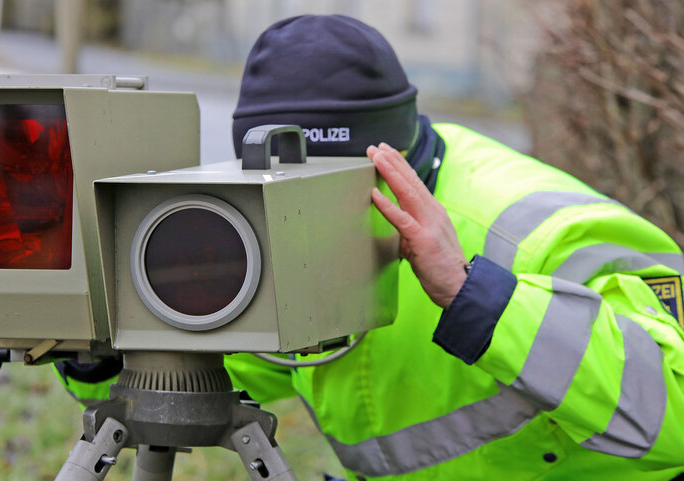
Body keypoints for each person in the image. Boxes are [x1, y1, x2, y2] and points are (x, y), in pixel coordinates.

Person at [58, 15, 684, 480]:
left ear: (391, 158)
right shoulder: (280, 223)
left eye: (330, 185)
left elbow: (674, 416)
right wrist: (104, 353)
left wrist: (477, 295)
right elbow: (224, 370)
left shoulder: (539, 229)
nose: (307, 213)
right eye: (282, 188)